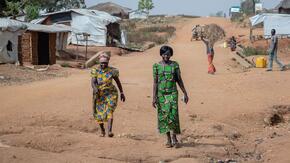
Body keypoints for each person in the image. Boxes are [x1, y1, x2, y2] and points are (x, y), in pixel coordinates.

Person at [152, 45, 189, 148]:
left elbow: (179, 80)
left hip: (172, 93)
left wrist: (185, 93)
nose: (166, 56)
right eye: (164, 54)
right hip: (161, 95)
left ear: (171, 54)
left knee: (173, 115)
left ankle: (174, 137)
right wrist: (154, 97)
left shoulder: (175, 65)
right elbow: (155, 82)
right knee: (164, 116)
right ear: (161, 54)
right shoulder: (156, 66)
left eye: (168, 54)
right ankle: (168, 139)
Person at [91, 51, 126, 137]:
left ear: (108, 62)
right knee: (99, 113)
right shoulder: (95, 70)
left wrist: (122, 92)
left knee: (109, 110)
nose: (103, 65)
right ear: (99, 62)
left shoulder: (112, 71)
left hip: (111, 93)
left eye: (105, 63)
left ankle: (109, 131)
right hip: (99, 94)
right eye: (102, 63)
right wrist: (95, 89)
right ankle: (102, 131)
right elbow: (93, 82)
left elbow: (118, 82)